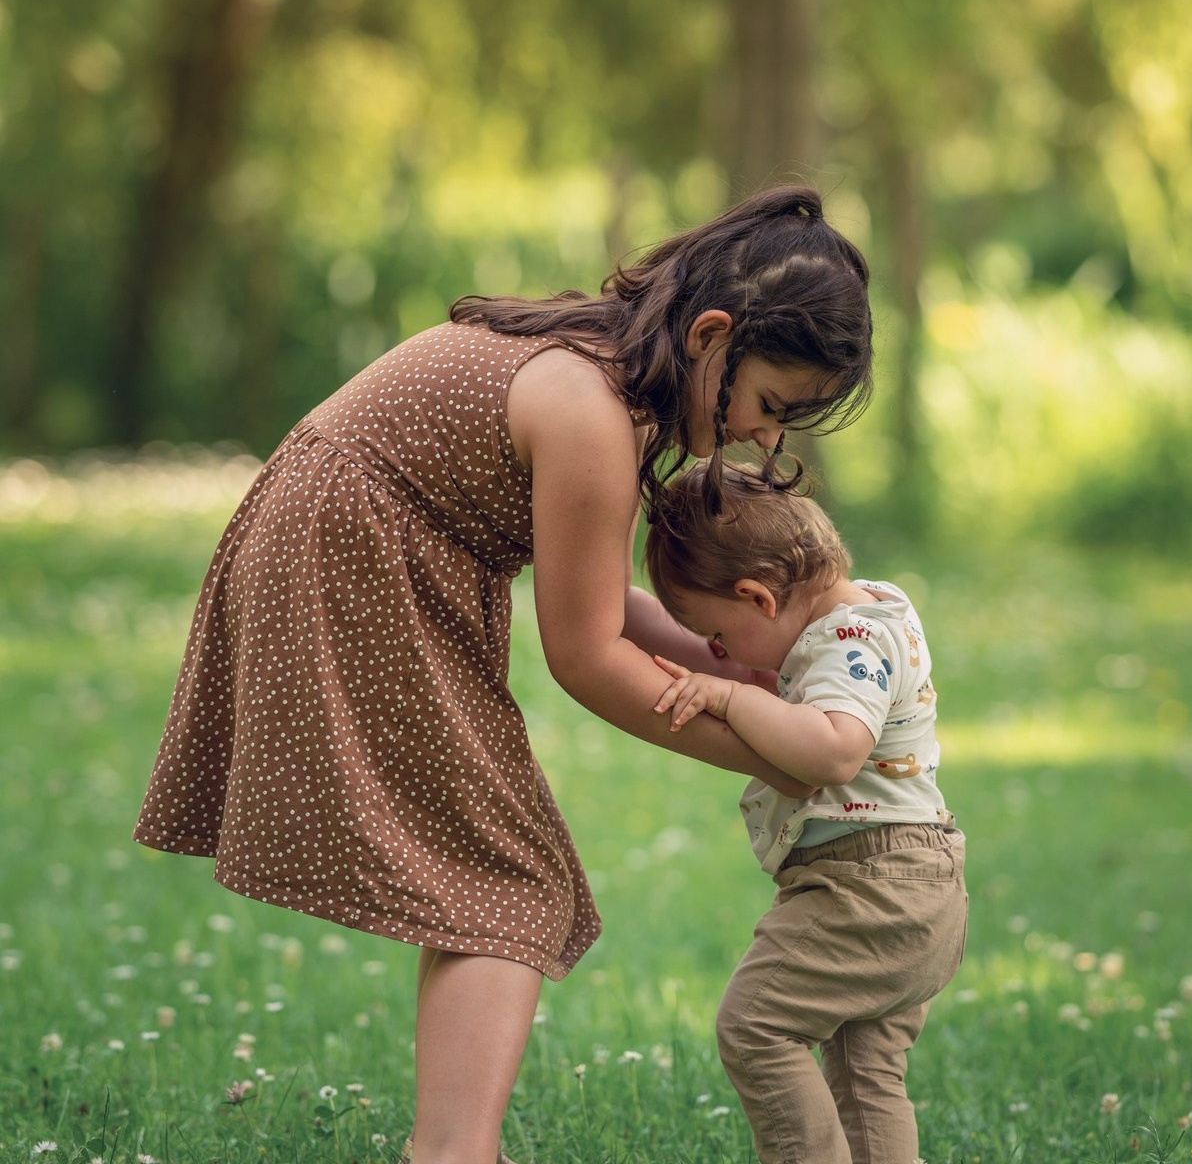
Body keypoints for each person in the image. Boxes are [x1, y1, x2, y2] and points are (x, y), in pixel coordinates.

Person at [131, 185, 874, 1164]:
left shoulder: (602, 377)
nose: (765, 439)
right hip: (351, 557)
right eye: (769, 404)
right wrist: (770, 752)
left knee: (497, 868)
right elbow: (584, 656)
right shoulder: (589, 411)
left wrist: (740, 670)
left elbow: (602, 606)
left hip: (353, 545)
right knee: (508, 872)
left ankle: (451, 1145)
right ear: (710, 335)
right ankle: (452, 1150)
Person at [644, 462, 968, 1164]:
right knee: (864, 1075)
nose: (719, 655)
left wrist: (733, 699)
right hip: (915, 884)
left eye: (716, 635)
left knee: (755, 1025)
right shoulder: (875, 608)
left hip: (872, 886)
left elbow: (833, 752)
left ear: (758, 597)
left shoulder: (846, 646)